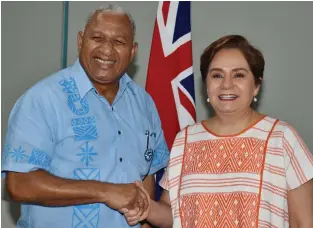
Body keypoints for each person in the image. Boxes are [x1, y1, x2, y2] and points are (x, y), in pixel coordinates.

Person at [1, 4, 169, 228]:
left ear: (133, 51)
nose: (107, 50)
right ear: (81, 41)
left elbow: (146, 173)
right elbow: (19, 183)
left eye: (119, 42)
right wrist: (105, 191)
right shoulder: (43, 99)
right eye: (97, 38)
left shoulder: (144, 104)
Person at [122, 35, 313, 227]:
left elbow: (304, 222)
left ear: (256, 85)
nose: (226, 84)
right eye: (217, 75)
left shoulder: (282, 138)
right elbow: (174, 216)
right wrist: (147, 209)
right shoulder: (185, 140)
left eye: (239, 75)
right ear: (206, 84)